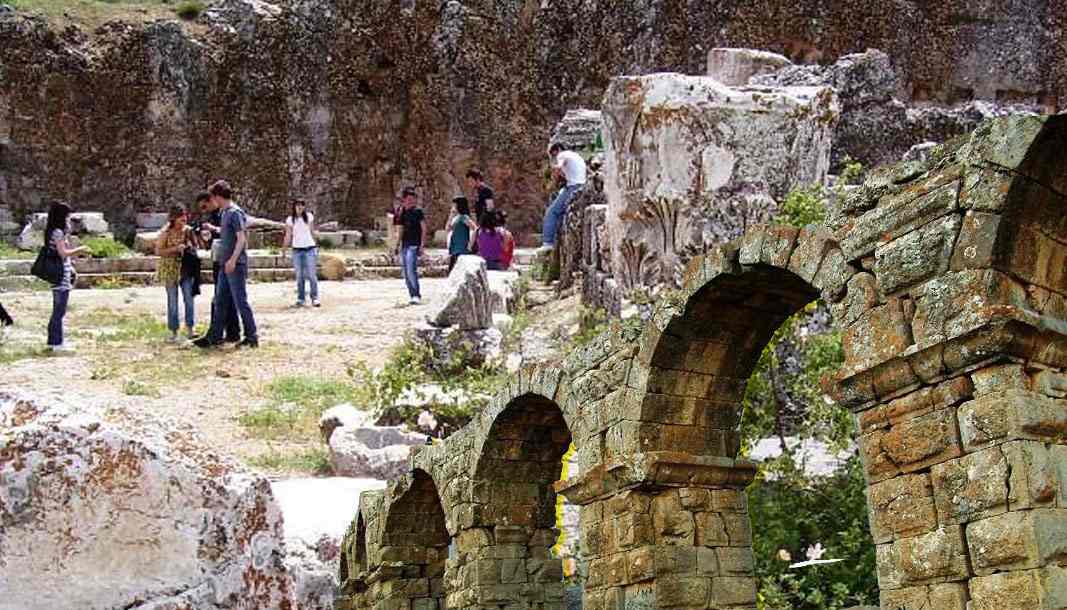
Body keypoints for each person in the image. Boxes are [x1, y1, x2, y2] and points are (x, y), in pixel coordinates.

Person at [194, 180, 259, 348]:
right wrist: (214, 230)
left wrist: (233, 260)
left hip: (234, 265)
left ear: (217, 196)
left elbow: (241, 239)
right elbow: (226, 234)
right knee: (219, 301)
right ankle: (213, 336)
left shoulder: (235, 213)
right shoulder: (225, 213)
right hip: (225, 264)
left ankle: (252, 336)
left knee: (240, 301)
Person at [190, 191, 240, 343]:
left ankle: (220, 334)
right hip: (219, 257)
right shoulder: (216, 215)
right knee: (224, 297)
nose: (204, 210)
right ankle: (230, 332)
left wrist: (213, 229)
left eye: (205, 206)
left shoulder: (228, 213)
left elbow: (232, 234)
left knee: (222, 298)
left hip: (228, 259)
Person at [44, 201, 89, 352]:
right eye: (67, 217)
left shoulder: (56, 231)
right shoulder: (57, 232)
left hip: (62, 272)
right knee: (59, 310)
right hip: (60, 274)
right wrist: (80, 249)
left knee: (58, 310)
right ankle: (57, 343)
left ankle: (54, 341)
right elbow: (62, 253)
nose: (68, 220)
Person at [155, 205, 198, 342]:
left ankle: (190, 328)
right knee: (172, 301)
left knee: (189, 299)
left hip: (186, 269)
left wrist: (190, 247)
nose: (183, 220)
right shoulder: (165, 233)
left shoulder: (188, 231)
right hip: (170, 269)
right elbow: (159, 251)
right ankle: (173, 331)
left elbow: (196, 246)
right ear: (174, 219)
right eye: (181, 218)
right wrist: (175, 249)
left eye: (185, 217)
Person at [542, 142, 587, 249]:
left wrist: (553, 181)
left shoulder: (562, 155)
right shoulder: (576, 156)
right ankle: (559, 242)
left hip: (573, 188)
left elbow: (559, 167)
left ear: (556, 150)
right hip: (582, 187)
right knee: (561, 213)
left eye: (553, 155)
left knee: (551, 212)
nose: (554, 158)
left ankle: (548, 243)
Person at [284, 199, 320, 308]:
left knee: (311, 274)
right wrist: (284, 248)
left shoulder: (308, 217)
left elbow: (312, 231)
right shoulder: (290, 220)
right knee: (299, 276)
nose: (299, 208)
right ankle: (301, 298)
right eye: (297, 205)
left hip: (309, 248)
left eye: (301, 205)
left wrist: (316, 245)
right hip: (297, 250)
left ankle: (315, 297)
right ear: (294, 207)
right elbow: (288, 235)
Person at [397, 186, 426, 305]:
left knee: (411, 270)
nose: (411, 201)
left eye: (412, 199)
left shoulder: (418, 212)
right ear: (404, 200)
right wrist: (397, 244)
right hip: (405, 244)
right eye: (408, 199)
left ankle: (416, 294)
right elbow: (401, 229)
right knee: (405, 271)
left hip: (414, 244)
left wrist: (422, 245)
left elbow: (424, 228)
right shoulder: (402, 212)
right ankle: (411, 294)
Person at [446, 196, 477, 273]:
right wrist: (450, 216)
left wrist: (470, 244)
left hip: (462, 248)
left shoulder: (464, 217)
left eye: (454, 205)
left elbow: (475, 228)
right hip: (454, 248)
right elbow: (447, 228)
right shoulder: (456, 218)